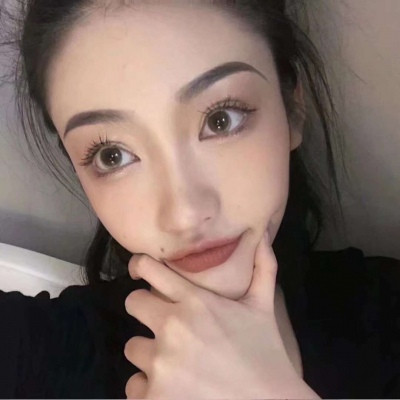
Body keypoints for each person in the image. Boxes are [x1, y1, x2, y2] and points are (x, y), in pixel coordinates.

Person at [0, 0, 399, 398]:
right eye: (112, 155)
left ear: (293, 109)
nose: (184, 214)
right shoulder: (46, 352)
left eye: (220, 119)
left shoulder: (386, 315)